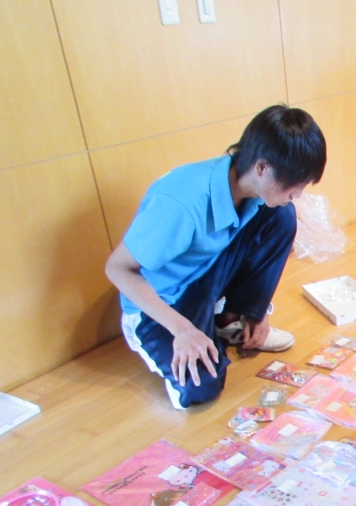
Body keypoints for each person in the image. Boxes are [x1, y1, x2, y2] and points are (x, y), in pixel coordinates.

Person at [105, 105, 327, 410]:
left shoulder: (248, 188)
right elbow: (118, 269)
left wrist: (258, 312)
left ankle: (232, 319)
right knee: (201, 387)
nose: (298, 194)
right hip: (163, 301)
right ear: (262, 168)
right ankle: (195, 330)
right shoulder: (181, 202)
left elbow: (251, 245)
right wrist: (183, 329)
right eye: (295, 185)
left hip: (204, 276)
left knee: (282, 215)